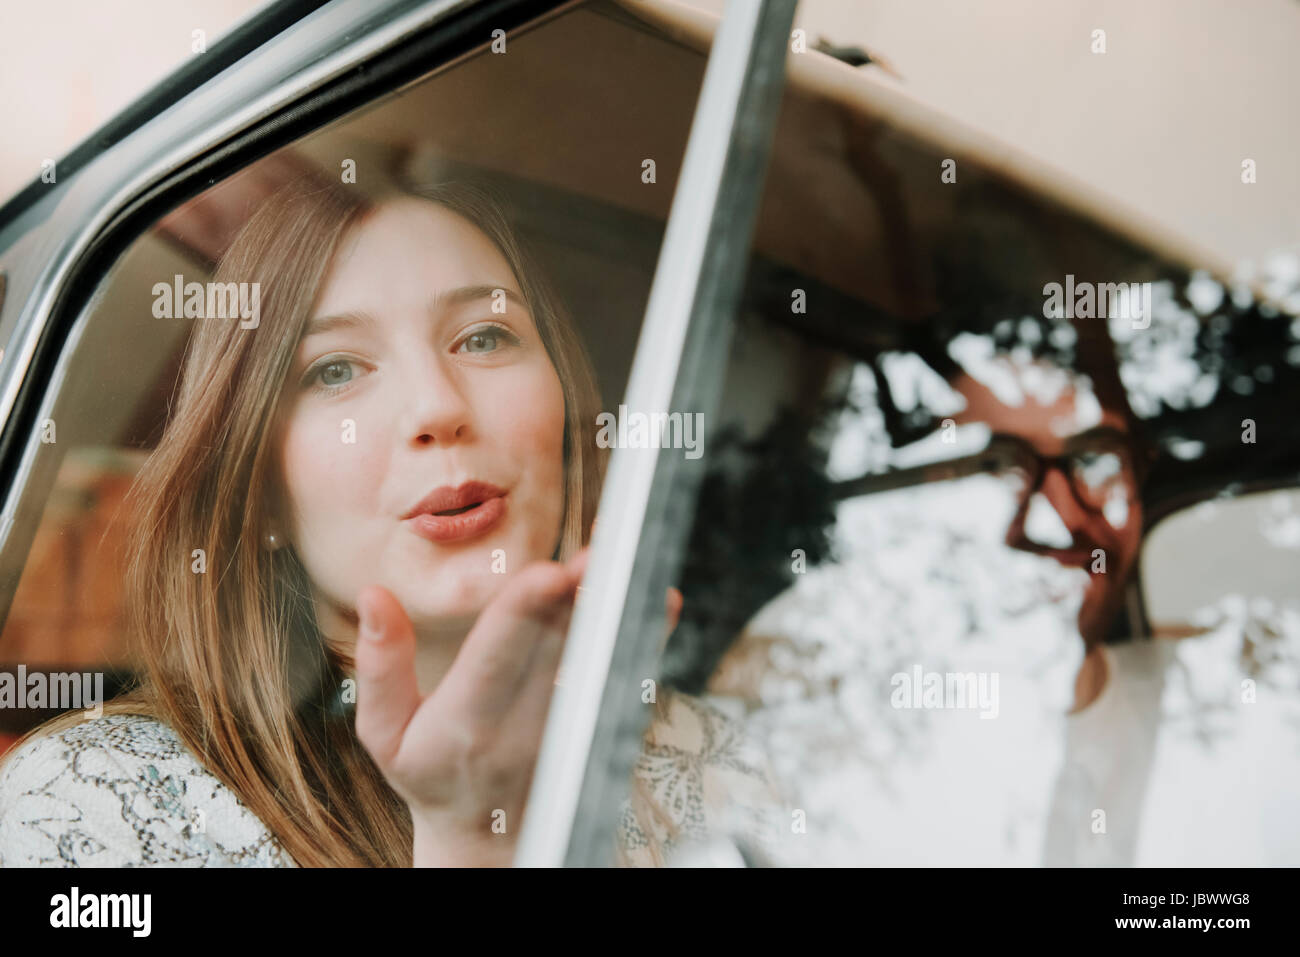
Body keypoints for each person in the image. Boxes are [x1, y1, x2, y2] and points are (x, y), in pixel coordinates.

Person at [0, 177, 780, 867]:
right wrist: (473, 845)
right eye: (335, 369)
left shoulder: (714, 759)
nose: (438, 404)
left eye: (484, 336)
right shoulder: (90, 807)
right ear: (263, 494)